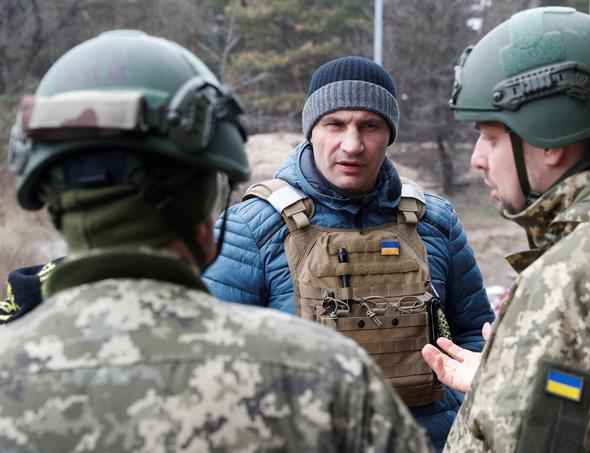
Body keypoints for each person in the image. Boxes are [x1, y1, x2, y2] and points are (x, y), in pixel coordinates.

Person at [0, 30, 432, 452]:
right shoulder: (328, 375)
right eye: (335, 124)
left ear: (49, 198)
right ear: (207, 211)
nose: (352, 144)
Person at [203, 55, 495, 451]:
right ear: (311, 131)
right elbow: (210, 364)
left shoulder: (435, 221)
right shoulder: (250, 228)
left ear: (389, 134)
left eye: (370, 126)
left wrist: (457, 422)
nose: (352, 144)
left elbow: (475, 338)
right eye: (335, 124)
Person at [431, 6, 590, 452]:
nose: (477, 158)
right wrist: (507, 381)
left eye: (489, 137)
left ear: (549, 140)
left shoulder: (579, 280)